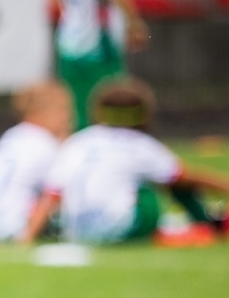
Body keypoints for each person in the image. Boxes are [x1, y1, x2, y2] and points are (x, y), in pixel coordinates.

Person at [20, 78, 229, 245]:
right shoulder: (138, 144)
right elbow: (185, 178)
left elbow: (52, 195)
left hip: (77, 233)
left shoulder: (79, 141)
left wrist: (26, 239)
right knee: (158, 185)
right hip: (119, 230)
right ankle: (210, 226)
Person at [40, 0, 148, 130]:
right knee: (112, 107)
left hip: (69, 39)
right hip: (99, 42)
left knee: (76, 109)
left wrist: (65, 10)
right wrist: (134, 24)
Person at [0, 81, 72, 242]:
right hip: (13, 227)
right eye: (62, 111)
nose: (67, 118)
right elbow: (54, 194)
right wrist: (26, 238)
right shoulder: (45, 144)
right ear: (41, 113)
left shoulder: (11, 136)